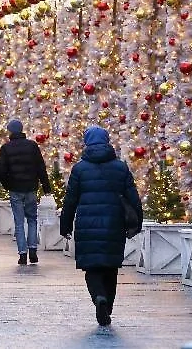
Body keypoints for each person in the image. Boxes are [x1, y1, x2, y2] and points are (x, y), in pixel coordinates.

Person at [60, 125, 142, 328]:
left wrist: (65, 224)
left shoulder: (79, 168)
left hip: (87, 224)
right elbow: (133, 197)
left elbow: (70, 199)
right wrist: (137, 220)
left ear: (86, 143)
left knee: (92, 269)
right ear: (107, 142)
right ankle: (108, 307)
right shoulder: (120, 167)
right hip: (114, 223)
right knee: (111, 269)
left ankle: (99, 297)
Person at [0, 118, 52, 265]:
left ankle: (22, 253)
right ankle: (33, 250)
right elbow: (41, 167)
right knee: (32, 219)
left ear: (10, 131)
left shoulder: (6, 148)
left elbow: (1, 170)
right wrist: (46, 186)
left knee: (19, 222)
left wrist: (8, 185)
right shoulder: (32, 146)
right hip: (31, 187)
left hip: (15, 188)